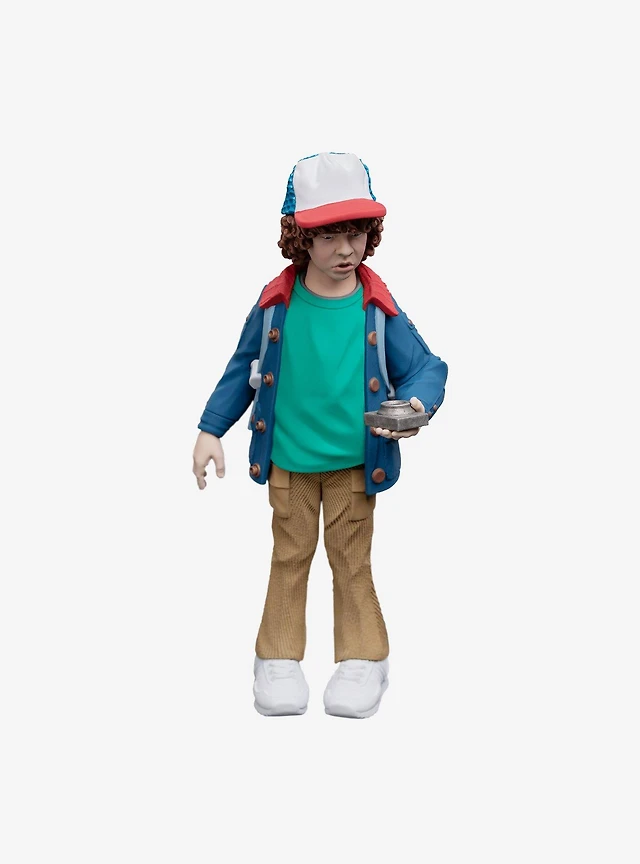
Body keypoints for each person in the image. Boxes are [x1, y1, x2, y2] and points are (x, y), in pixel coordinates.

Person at [192, 152, 448, 718]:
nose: (345, 249)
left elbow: (427, 367)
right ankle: (277, 656)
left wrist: (417, 403)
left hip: (356, 462)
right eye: (329, 236)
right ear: (300, 237)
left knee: (351, 559)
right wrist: (212, 428)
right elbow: (240, 368)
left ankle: (364, 656)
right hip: (289, 461)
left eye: (355, 233)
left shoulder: (377, 308)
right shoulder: (276, 304)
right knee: (289, 555)